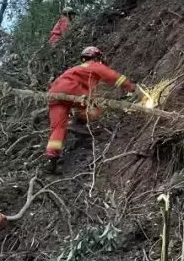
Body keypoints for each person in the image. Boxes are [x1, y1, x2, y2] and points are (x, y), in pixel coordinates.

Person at [45, 46, 136, 174]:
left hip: (53, 94)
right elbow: (112, 76)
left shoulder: (75, 69)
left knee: (57, 128)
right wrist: (130, 86)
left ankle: (51, 160)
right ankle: (78, 124)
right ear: (96, 57)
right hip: (71, 89)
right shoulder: (93, 65)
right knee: (95, 106)